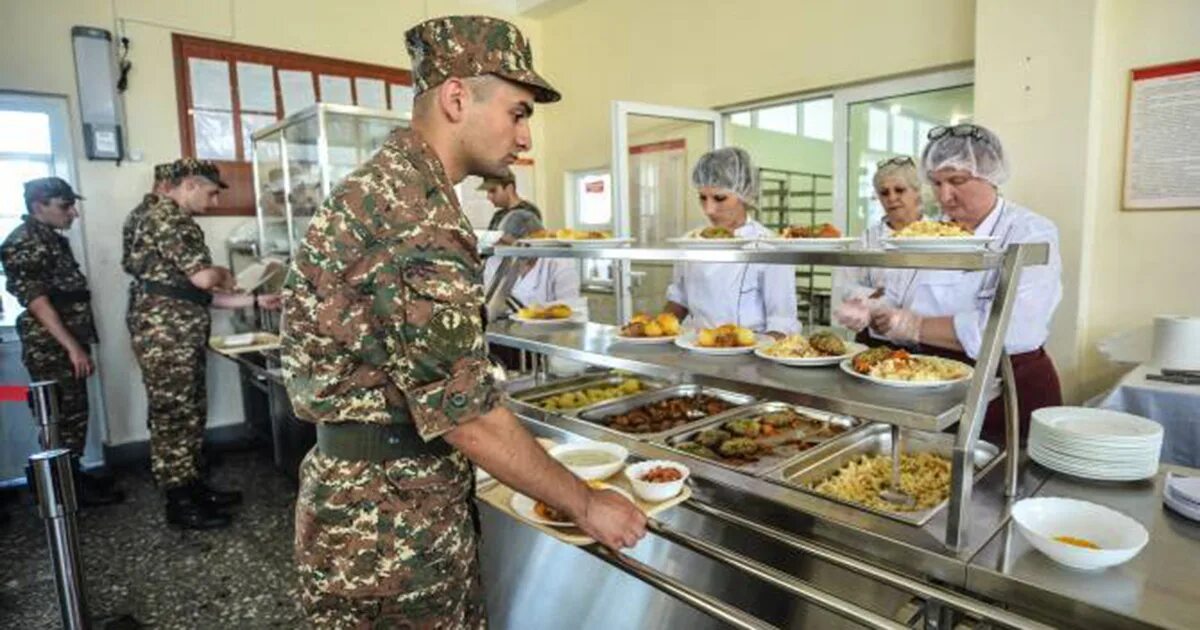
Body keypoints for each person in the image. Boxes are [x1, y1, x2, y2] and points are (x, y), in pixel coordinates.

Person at [282, 16, 646, 627]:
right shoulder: (415, 213)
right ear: (456, 98)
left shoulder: (387, 187)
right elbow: (466, 414)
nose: (524, 137)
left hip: (370, 508)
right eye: (518, 112)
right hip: (389, 530)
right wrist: (586, 503)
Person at [848, 124, 1063, 444]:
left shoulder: (1030, 233)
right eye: (936, 183)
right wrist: (874, 310)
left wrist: (915, 326)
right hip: (937, 387)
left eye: (957, 181)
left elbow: (1015, 328)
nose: (944, 196)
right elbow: (897, 295)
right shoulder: (928, 235)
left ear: (990, 176)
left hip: (1006, 390)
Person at [122, 158, 280, 530]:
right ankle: (180, 501)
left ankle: (193, 487)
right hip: (167, 335)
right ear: (190, 184)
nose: (212, 204)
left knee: (188, 410)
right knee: (174, 415)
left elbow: (187, 291)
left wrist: (256, 301)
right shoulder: (168, 217)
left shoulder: (151, 217)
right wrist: (229, 275)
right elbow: (204, 280)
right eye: (210, 193)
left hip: (173, 329)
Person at [0, 177, 124, 506]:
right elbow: (37, 302)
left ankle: (72, 476)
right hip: (52, 347)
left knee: (74, 413)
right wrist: (72, 347)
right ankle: (59, 491)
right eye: (65, 206)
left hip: (66, 343)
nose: (73, 213)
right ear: (39, 206)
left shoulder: (50, 239)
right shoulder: (24, 241)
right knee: (60, 414)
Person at [664, 147, 800, 336]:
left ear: (744, 195)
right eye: (702, 197)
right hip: (697, 347)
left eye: (719, 198)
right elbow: (679, 297)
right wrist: (657, 332)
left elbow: (782, 321)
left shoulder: (770, 245)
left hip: (750, 352)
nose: (709, 209)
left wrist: (759, 358)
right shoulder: (691, 241)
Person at [834, 156, 925, 341]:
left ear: (916, 192)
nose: (892, 198)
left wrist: (883, 297)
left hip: (926, 340)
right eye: (884, 193)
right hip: (875, 339)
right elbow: (847, 285)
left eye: (899, 190)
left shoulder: (941, 236)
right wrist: (878, 305)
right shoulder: (867, 239)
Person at [481, 171, 542, 244]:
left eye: (493, 191)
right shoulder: (498, 215)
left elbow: (531, 246)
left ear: (509, 188)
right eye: (488, 192)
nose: (489, 197)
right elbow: (488, 243)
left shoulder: (529, 212)